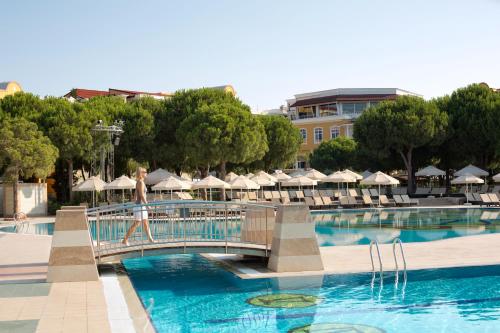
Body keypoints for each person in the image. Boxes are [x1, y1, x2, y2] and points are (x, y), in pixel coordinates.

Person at [122, 167, 154, 245]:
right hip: (140, 206)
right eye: (145, 172)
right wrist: (147, 205)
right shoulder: (140, 182)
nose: (146, 173)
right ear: (141, 173)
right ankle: (125, 239)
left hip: (140, 206)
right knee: (136, 223)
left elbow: (135, 196)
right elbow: (142, 195)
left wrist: (137, 202)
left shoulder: (139, 182)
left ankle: (150, 239)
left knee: (146, 223)